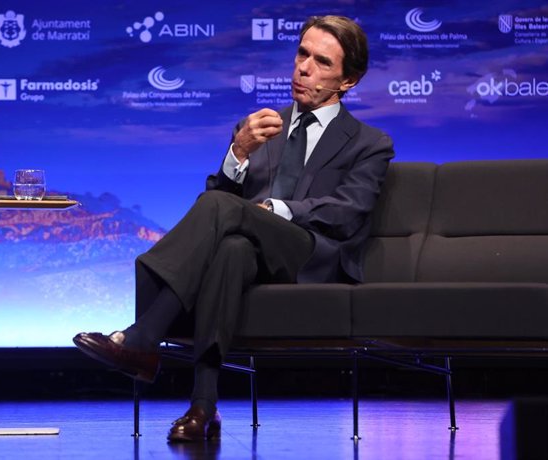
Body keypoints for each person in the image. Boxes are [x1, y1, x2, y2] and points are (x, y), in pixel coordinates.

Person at [73, 15, 395, 443]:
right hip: (245, 253)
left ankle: (143, 336)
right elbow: (218, 198)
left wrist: (277, 209)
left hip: (309, 253)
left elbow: (347, 211)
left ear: (348, 80)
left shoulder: (368, 143)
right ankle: (203, 406)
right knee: (232, 249)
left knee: (229, 214)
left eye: (321, 62)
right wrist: (237, 153)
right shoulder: (257, 128)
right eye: (302, 54)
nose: (303, 68)